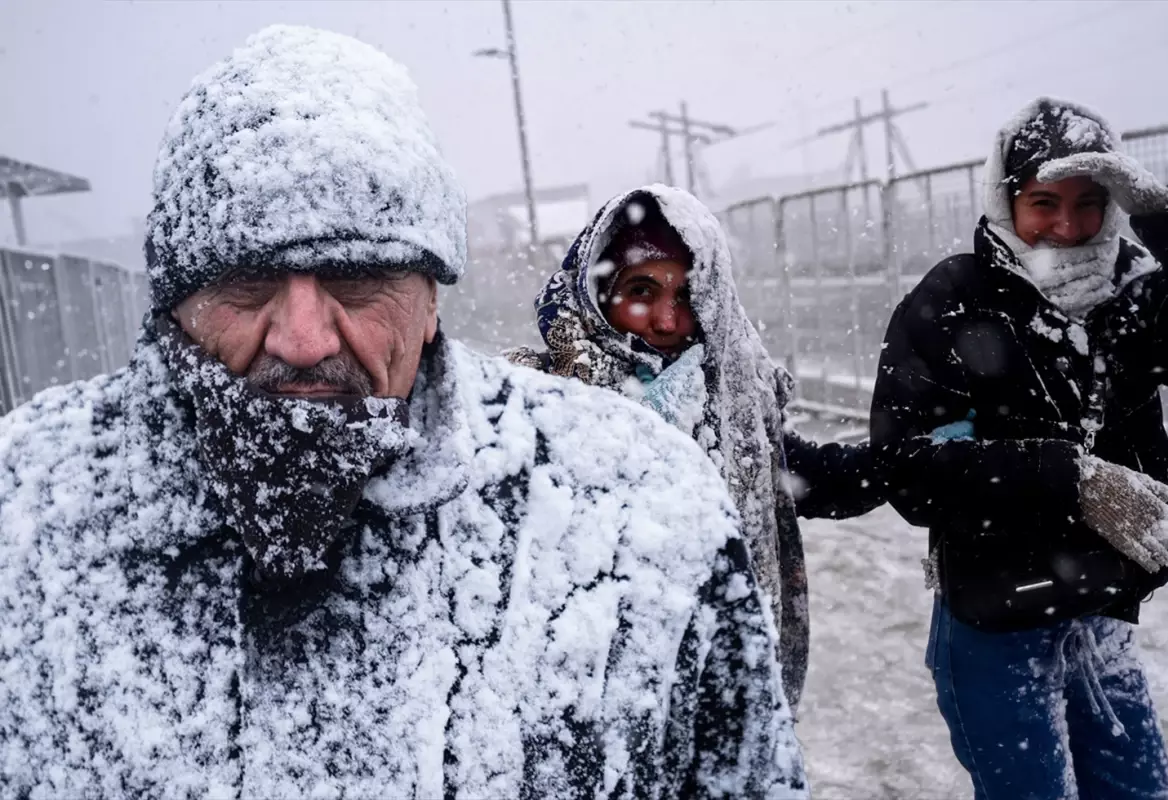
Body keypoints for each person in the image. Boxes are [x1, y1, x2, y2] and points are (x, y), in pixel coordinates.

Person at [0, 26, 810, 798]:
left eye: (356, 275)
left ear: (430, 298)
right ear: (176, 301)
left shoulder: (642, 509)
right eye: (246, 278)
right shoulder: (24, 520)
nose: (307, 337)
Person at [871, 96, 1168, 799]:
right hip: (995, 625)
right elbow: (910, 468)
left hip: (1101, 616)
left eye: (1090, 203)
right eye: (1043, 201)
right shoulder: (954, 301)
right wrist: (1067, 478)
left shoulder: (1132, 294)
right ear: (1004, 196)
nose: (1067, 227)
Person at [506, 186, 886, 706]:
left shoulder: (731, 404)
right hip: (587, 692)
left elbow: (792, 477)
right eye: (641, 291)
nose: (666, 321)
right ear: (597, 293)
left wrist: (906, 464)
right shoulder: (537, 401)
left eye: (685, 297)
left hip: (719, 680)